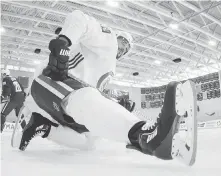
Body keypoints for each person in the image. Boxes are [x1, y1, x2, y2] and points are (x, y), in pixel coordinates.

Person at [12, 10, 197, 166]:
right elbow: (79, 17)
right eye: (123, 42)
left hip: (59, 106)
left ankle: (42, 126)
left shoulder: (109, 69)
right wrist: (64, 42)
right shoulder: (107, 42)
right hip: (48, 82)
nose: (123, 49)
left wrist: (116, 103)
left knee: (90, 140)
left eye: (127, 48)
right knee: (83, 95)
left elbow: (92, 99)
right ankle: (146, 136)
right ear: (117, 37)